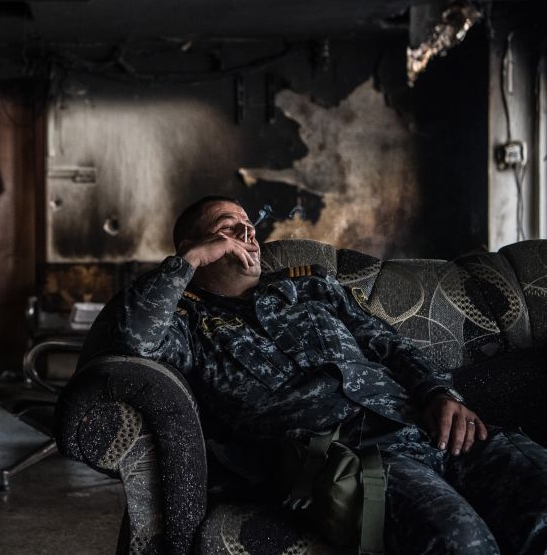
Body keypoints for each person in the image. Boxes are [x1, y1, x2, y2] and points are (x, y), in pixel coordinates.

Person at [83, 195, 547, 554]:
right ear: (196, 246)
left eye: (249, 225)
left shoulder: (311, 287)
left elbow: (389, 343)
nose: (247, 232)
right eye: (228, 227)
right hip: (357, 459)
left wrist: (440, 392)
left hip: (429, 425)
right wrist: (186, 265)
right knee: (459, 543)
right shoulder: (185, 321)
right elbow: (132, 342)